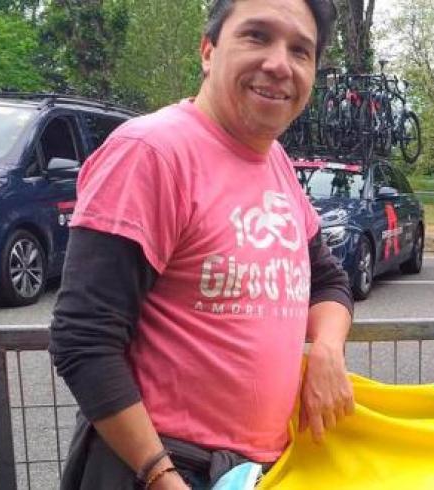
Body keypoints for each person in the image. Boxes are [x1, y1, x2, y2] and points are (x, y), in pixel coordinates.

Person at [49, 1, 352, 488]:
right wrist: (160, 474)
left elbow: (329, 281)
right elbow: (83, 339)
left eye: (301, 50)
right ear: (208, 51)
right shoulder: (150, 153)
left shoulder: (276, 163)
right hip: (160, 466)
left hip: (252, 472)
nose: (279, 64)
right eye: (257, 36)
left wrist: (327, 351)